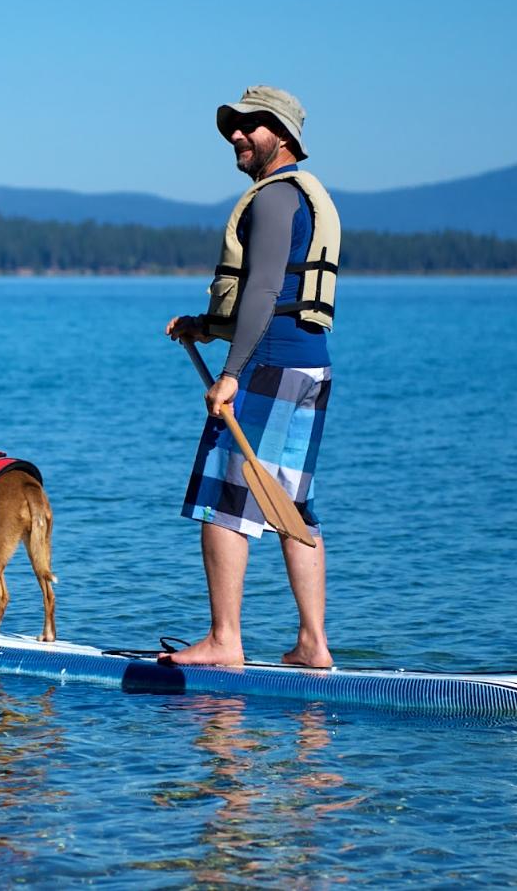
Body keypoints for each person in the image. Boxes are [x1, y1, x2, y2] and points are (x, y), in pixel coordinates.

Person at [163, 85, 341, 668]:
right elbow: (281, 296)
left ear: (283, 136)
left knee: (223, 499)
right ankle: (313, 645)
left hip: (267, 368)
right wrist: (205, 326)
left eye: (251, 126)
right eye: (232, 127)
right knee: (293, 506)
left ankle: (223, 640)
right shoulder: (304, 199)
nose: (237, 135)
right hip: (309, 365)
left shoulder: (272, 199)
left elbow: (263, 289)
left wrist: (231, 373)